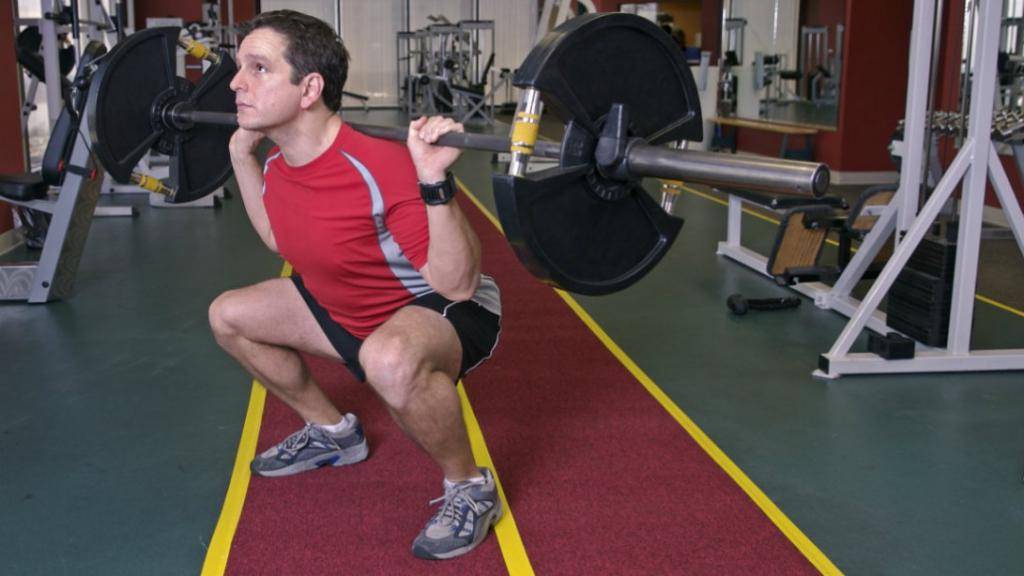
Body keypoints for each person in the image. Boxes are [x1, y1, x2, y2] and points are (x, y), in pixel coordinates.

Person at [207, 10, 503, 560]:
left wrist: (433, 180)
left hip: (438, 308)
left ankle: (469, 486)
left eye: (258, 68)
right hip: (351, 312)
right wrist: (240, 157)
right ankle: (333, 434)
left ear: (309, 90)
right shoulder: (280, 164)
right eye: (239, 67)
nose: (235, 83)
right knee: (228, 316)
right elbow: (276, 237)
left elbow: (458, 284)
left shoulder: (379, 165)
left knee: (386, 359)